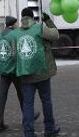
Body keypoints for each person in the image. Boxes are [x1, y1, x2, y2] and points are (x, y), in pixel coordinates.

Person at [18, 8, 60, 137]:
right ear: (32, 17)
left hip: (25, 75)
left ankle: (29, 133)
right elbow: (55, 35)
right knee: (46, 100)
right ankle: (49, 129)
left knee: (28, 104)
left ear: (22, 18)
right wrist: (48, 20)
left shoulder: (17, 33)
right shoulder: (40, 28)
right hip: (42, 73)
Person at [0, 16, 24, 133]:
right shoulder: (15, 35)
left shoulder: (0, 35)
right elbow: (15, 54)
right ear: (13, 24)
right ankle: (28, 116)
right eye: (17, 23)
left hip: (3, 69)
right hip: (14, 69)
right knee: (22, 94)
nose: (18, 25)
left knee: (2, 96)